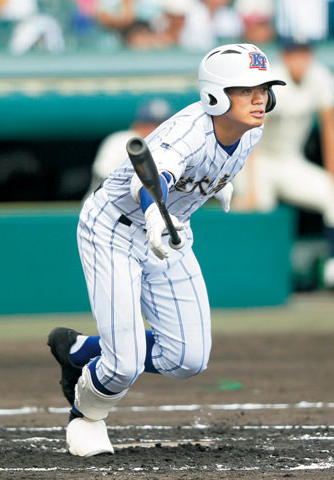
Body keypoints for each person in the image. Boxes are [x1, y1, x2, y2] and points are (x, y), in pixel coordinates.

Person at [48, 43, 286, 457]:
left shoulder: (251, 131)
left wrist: (216, 184)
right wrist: (155, 213)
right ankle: (86, 413)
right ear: (217, 94)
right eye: (247, 89)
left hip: (172, 231)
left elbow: (207, 164)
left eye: (263, 87)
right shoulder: (188, 131)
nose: (260, 97)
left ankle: (81, 350)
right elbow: (151, 176)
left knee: (188, 357)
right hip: (116, 228)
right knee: (123, 364)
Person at [232, 39, 334, 288]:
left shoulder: (319, 76)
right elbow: (250, 133)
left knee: (331, 194)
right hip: (255, 161)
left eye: (304, 52)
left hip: (289, 161)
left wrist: (332, 174)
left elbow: (329, 126)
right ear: (285, 55)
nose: (299, 59)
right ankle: (254, 277)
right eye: (294, 53)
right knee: (260, 206)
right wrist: (252, 190)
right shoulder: (271, 79)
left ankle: (332, 264)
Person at [84, 97, 174, 197]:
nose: (156, 129)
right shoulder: (120, 141)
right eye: (151, 124)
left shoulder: (167, 147)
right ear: (139, 124)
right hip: (103, 206)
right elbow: (104, 178)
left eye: (161, 124)